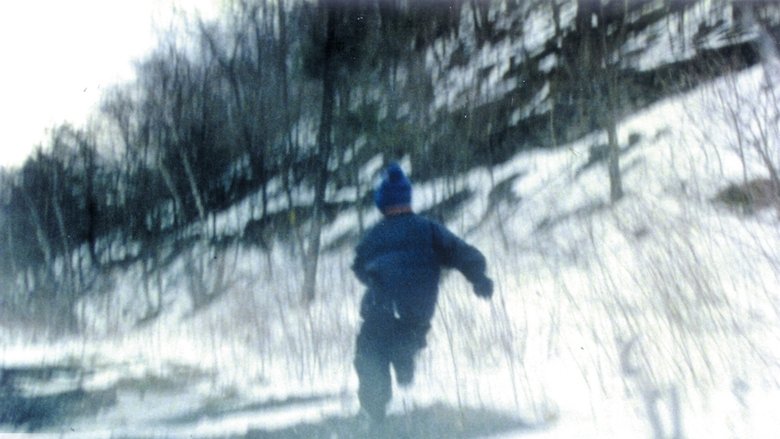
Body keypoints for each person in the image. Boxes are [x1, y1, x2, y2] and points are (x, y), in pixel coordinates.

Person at [352, 162, 494, 423]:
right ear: (407, 200)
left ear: (382, 203)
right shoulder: (428, 229)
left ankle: (374, 413)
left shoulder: (374, 235)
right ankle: (404, 359)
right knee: (405, 339)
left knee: (370, 355)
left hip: (380, 313)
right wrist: (478, 277)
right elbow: (459, 252)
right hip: (415, 316)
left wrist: (376, 275)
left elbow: (359, 267)